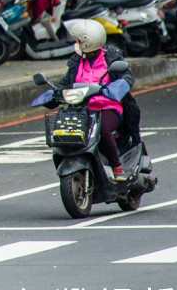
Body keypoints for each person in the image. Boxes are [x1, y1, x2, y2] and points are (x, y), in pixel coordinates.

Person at [39, 19, 139, 181]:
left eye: (78, 40)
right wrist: (55, 93)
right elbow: (66, 82)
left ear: (88, 42)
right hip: (82, 109)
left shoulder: (111, 57)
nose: (76, 44)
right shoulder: (77, 62)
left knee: (103, 129)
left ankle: (117, 166)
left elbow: (126, 75)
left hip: (108, 108)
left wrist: (114, 88)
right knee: (62, 129)